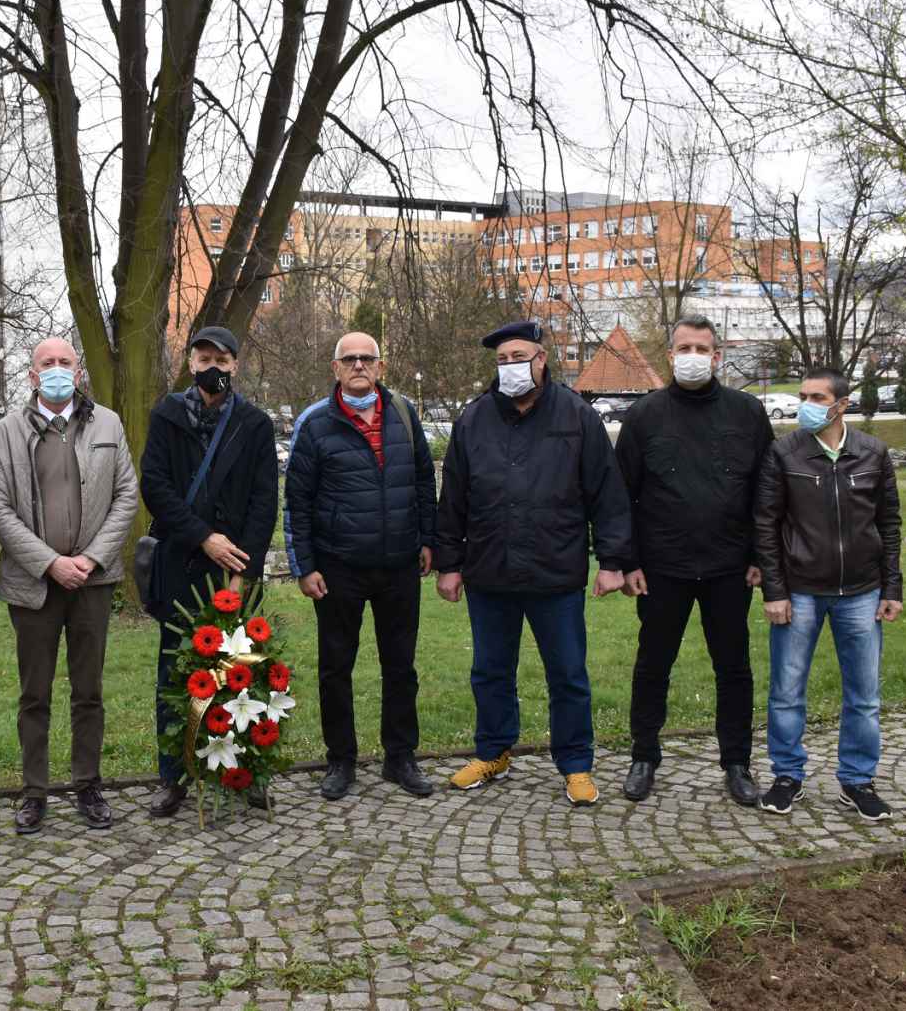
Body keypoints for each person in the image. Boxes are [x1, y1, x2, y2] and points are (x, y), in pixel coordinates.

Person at [434, 321, 633, 807]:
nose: (511, 367)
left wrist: (612, 560)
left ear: (542, 359)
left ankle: (576, 764)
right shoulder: (474, 418)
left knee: (566, 672)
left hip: (555, 568)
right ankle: (494, 751)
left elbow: (606, 492)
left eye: (519, 357)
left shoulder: (576, 415)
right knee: (490, 670)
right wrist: (448, 563)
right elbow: (453, 497)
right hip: (489, 568)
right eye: (502, 360)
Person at [614, 316, 774, 806]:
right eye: (684, 347)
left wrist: (760, 557)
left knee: (734, 668)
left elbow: (767, 493)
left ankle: (737, 763)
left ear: (717, 356)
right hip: (662, 567)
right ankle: (643, 757)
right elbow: (623, 495)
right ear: (669, 354)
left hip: (730, 566)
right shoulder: (644, 416)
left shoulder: (748, 413)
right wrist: (627, 562)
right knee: (652, 665)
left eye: (702, 348)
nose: (693, 356)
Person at [0, 338, 139, 834]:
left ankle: (88, 784)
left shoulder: (108, 424)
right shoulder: (5, 433)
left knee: (88, 690)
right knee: (35, 693)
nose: (55, 370)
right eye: (46, 363)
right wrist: (51, 563)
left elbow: (126, 496)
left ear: (78, 373)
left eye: (65, 363)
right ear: (31, 375)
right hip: (34, 585)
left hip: (93, 583)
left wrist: (91, 559)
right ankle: (34, 792)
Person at [284, 331, 438, 802]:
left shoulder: (405, 415)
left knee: (401, 666)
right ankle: (341, 760)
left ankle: (400, 757)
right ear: (335, 368)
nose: (358, 366)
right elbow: (297, 501)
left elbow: (423, 481)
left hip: (398, 566)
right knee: (336, 667)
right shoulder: (314, 423)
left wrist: (428, 540)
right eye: (348, 359)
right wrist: (304, 565)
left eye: (366, 358)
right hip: (338, 568)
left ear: (381, 365)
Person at [138, 326, 279, 818]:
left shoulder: (255, 425)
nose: (212, 365)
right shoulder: (167, 415)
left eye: (222, 357)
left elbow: (265, 503)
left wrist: (243, 568)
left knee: (242, 676)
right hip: (183, 564)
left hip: (235, 572)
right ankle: (173, 776)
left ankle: (246, 771)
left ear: (235, 365)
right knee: (176, 674)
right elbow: (155, 487)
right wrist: (204, 538)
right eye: (204, 357)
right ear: (191, 362)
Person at [754, 366, 903, 821]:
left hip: (861, 590)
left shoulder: (873, 453)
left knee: (863, 694)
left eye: (816, 397)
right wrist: (774, 590)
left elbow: (890, 524)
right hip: (799, 590)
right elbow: (765, 524)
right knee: (787, 690)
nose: (806, 405)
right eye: (802, 396)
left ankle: (857, 781)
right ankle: (787, 776)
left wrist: (891, 586)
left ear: (841, 404)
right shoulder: (784, 453)